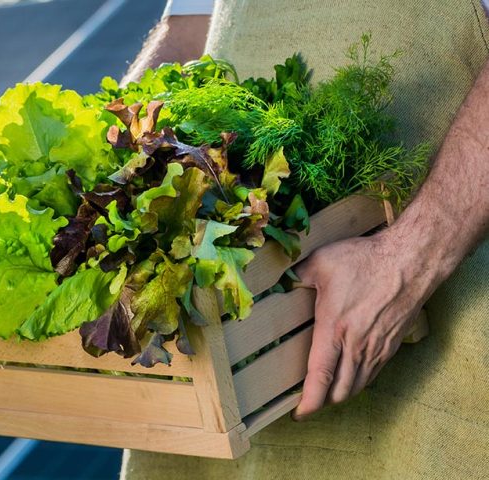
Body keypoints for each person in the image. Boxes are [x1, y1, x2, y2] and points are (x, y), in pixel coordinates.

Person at [120, 1, 489, 478]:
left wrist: (410, 260)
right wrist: (110, 157)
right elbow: (188, 26)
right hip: (209, 374)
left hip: (444, 292)